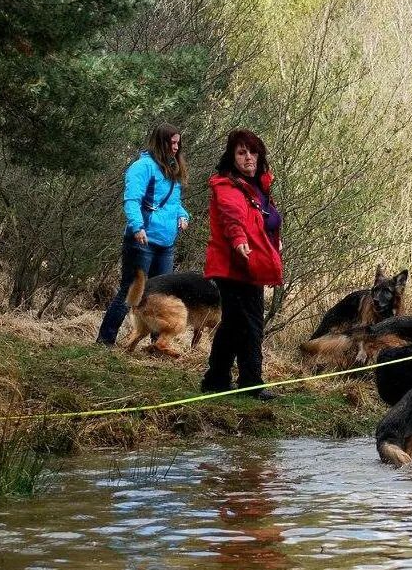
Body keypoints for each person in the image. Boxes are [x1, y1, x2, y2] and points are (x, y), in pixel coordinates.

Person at [201, 129, 284, 399]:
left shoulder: (260, 185)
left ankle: (216, 380)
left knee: (236, 324)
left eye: (252, 152)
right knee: (246, 325)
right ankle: (250, 383)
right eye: (241, 152)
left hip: (253, 264)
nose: (248, 157)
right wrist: (238, 240)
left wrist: (275, 241)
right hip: (232, 264)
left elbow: (266, 221)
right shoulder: (227, 185)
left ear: (260, 155)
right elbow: (232, 217)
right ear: (232, 157)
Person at [96, 123, 191, 345]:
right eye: (172, 142)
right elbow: (132, 199)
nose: (176, 147)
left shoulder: (172, 169)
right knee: (131, 291)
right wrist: (137, 227)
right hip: (142, 240)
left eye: (178, 143)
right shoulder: (142, 167)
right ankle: (105, 340)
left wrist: (183, 215)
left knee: (161, 295)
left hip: (166, 242)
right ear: (160, 143)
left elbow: (173, 203)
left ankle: (158, 344)